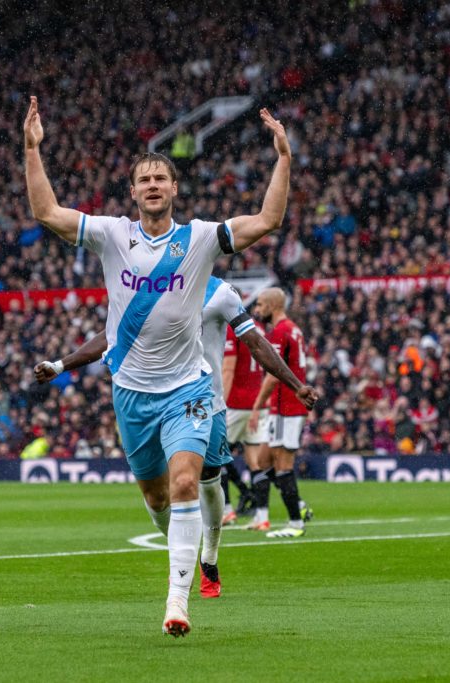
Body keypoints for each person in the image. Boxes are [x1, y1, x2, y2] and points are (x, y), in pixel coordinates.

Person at [24, 95, 291, 636]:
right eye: (143, 179)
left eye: (160, 179)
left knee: (188, 481)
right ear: (132, 192)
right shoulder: (111, 235)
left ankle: (177, 601)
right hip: (131, 393)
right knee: (156, 496)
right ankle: (186, 549)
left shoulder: (198, 239)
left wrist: (283, 157)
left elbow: (267, 220)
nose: (152, 186)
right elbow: (46, 213)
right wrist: (32, 149)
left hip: (188, 389)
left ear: (174, 189)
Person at [35, 276, 318, 600]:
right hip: (156, 403)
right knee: (163, 493)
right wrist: (60, 365)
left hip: (205, 404)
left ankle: (209, 556)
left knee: (210, 480)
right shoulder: (151, 288)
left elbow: (255, 342)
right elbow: (113, 335)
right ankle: (182, 559)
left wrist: (295, 384)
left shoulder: (221, 293)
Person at [248, 287, 313, 539]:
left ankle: (295, 523)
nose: (257, 309)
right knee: (264, 462)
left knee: (284, 465)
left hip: (287, 407)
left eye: (261, 304)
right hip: (281, 408)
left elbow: (274, 375)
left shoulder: (281, 331)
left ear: (274, 306)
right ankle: (297, 505)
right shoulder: (293, 329)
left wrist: (256, 407)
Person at [220, 314, 267, 525]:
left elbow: (228, 370)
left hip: (236, 404)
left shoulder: (233, 330)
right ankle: (262, 517)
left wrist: (220, 402)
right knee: (254, 461)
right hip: (257, 403)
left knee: (216, 456)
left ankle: (226, 510)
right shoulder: (257, 328)